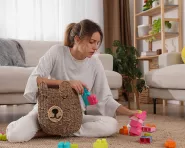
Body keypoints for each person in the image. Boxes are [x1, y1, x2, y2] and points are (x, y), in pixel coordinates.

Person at [6, 19, 139, 142]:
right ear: (77, 39)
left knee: (111, 125)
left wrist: (129, 112)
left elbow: (105, 98)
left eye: (98, 43)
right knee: (14, 135)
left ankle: (54, 131)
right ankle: (52, 129)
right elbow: (35, 79)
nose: (95, 47)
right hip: (46, 112)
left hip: (74, 117)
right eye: (91, 42)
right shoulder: (57, 52)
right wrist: (65, 83)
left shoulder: (95, 64)